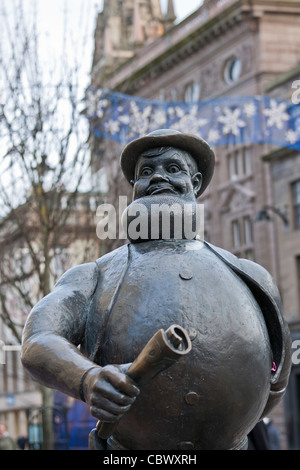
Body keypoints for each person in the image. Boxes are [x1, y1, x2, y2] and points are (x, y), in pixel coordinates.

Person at [21, 129, 291, 450]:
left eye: (173, 168)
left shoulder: (249, 275)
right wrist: (87, 378)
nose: (158, 177)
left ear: (196, 182)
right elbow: (38, 339)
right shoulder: (96, 274)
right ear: (134, 189)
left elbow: (276, 380)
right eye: (145, 172)